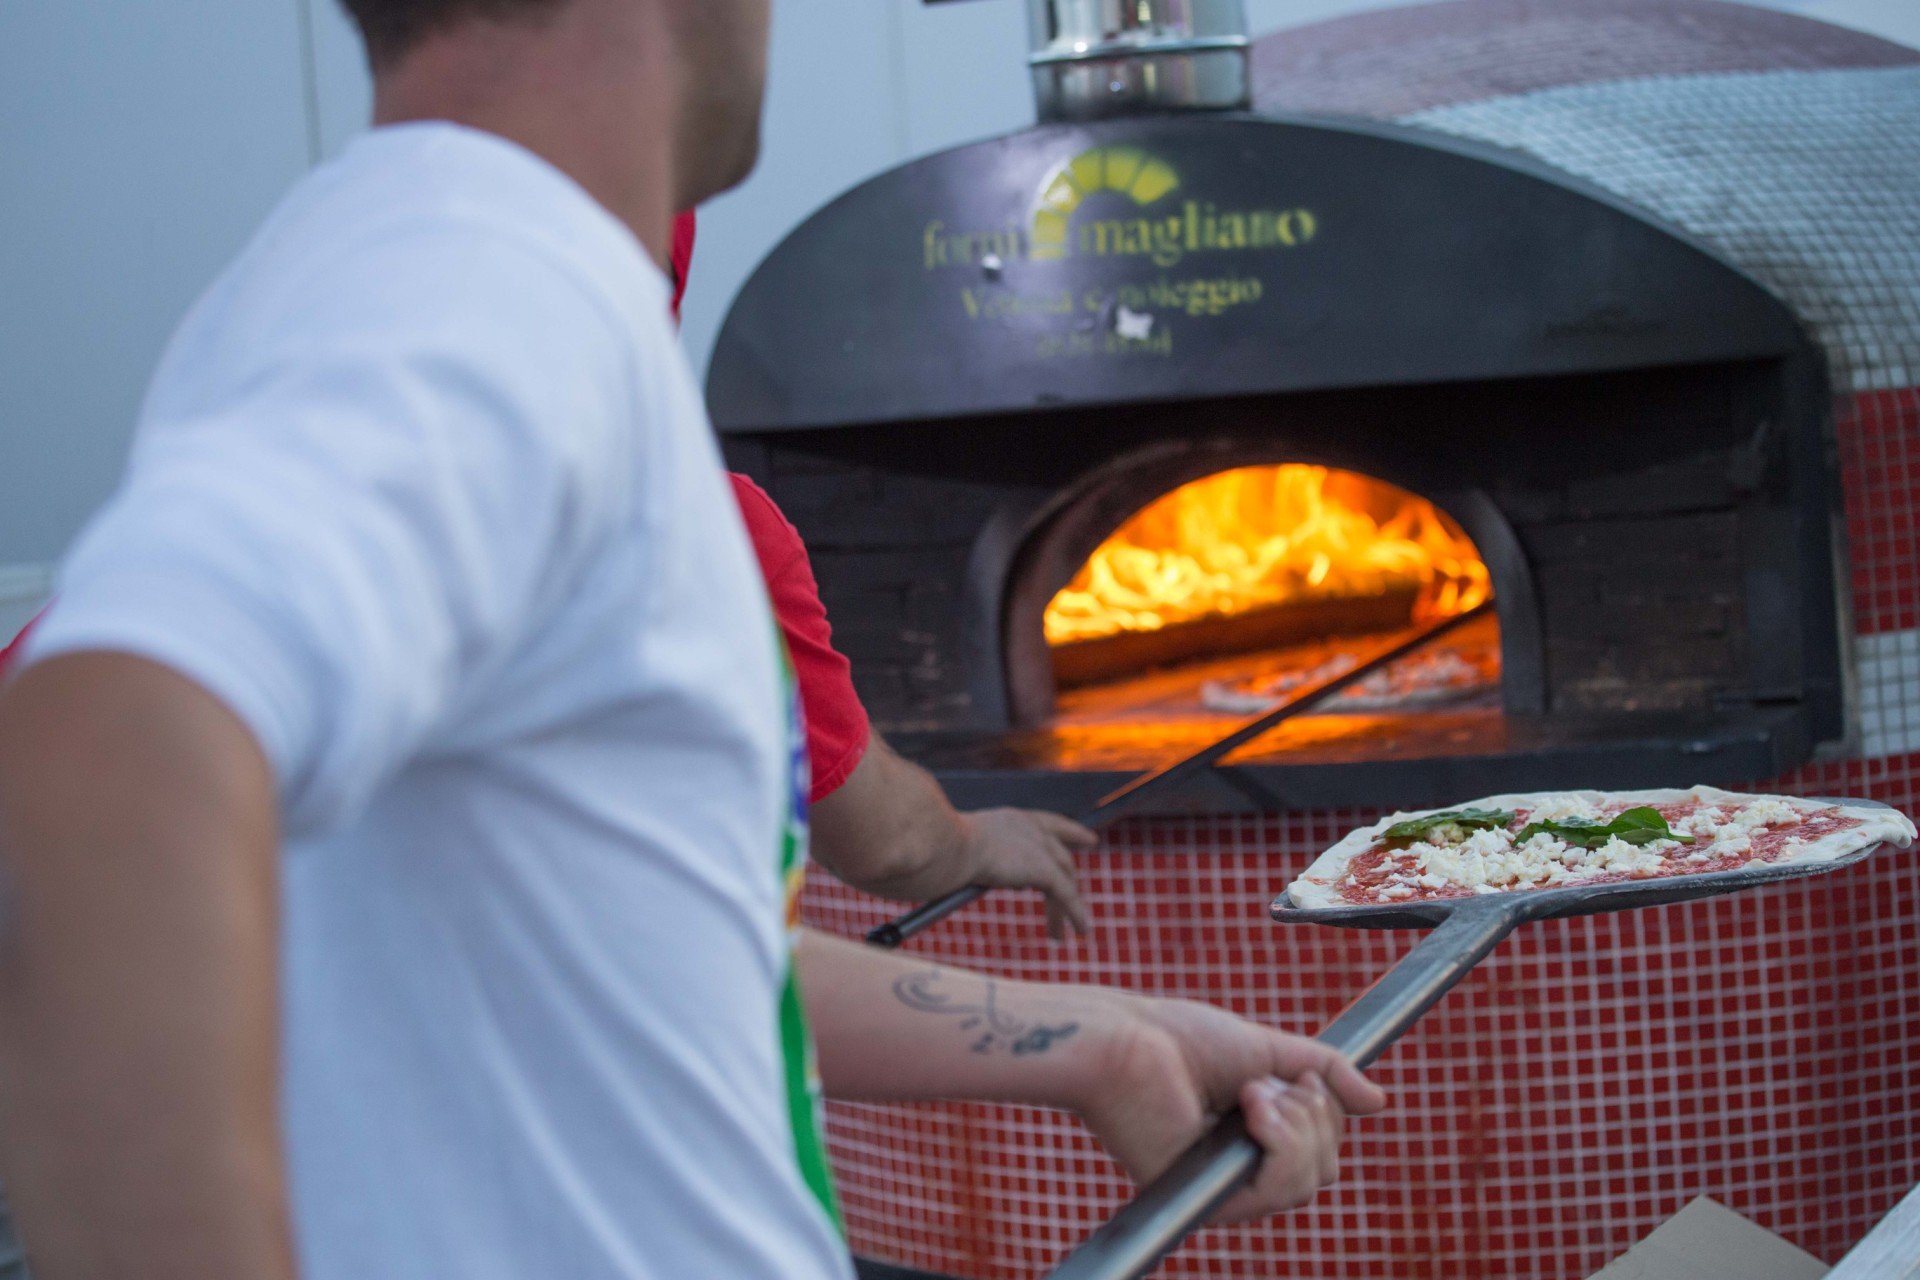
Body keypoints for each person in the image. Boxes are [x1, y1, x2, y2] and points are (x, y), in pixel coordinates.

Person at [0, 5, 1385, 1280]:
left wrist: (1101, 1042)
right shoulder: (481, 294)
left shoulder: (409, 275)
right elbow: (98, 752)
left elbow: (619, 954)